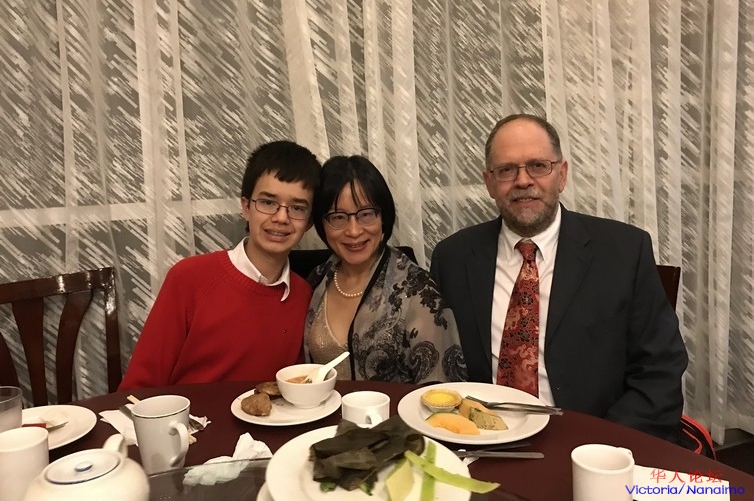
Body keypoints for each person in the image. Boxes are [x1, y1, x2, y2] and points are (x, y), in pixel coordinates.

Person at [430, 114, 688, 439]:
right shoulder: (452, 258)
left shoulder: (624, 252)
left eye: (538, 166)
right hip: (483, 439)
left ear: (562, 174)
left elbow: (659, 371)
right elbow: (442, 368)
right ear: (489, 183)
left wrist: (600, 445)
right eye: (507, 170)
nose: (523, 181)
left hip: (593, 441)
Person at [119, 140, 321, 389]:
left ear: (309, 222)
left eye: (297, 208)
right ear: (246, 207)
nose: (281, 217)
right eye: (268, 203)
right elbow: (138, 388)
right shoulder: (189, 278)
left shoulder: (304, 296)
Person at [303, 155, 466, 384]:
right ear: (322, 224)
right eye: (338, 217)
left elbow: (442, 389)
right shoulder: (317, 279)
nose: (353, 231)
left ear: (383, 217)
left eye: (366, 214)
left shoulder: (417, 291)